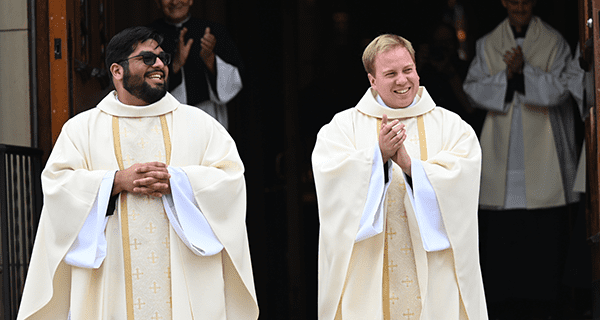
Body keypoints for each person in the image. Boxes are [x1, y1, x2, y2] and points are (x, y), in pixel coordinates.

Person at [16, 26, 258, 320]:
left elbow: (230, 180)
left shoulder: (200, 125)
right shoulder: (82, 130)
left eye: (162, 57)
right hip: (111, 276)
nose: (160, 65)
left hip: (185, 280)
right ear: (117, 71)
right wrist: (115, 182)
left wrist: (178, 182)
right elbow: (58, 185)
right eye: (147, 58)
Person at [312, 34, 487, 320]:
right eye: (390, 73)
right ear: (372, 80)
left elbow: (464, 181)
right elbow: (331, 183)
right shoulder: (341, 128)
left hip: (436, 269)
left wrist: (409, 166)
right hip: (369, 270)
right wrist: (376, 157)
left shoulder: (451, 126)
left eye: (408, 70)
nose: (402, 80)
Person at [462, 0, 580, 318]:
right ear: (503, 2)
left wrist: (523, 73)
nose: (519, 7)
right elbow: (471, 88)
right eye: (513, 1)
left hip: (543, 153)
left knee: (543, 236)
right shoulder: (487, 43)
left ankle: (544, 303)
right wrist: (508, 76)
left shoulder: (553, 41)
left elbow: (560, 89)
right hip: (502, 149)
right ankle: (503, 302)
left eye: (525, 1)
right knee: (503, 236)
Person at [148, 0, 244, 130]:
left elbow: (234, 80)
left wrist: (210, 59)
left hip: (207, 117)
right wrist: (175, 65)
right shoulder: (147, 37)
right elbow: (141, 86)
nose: (175, 2)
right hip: (163, 119)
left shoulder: (213, 32)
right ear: (158, 3)